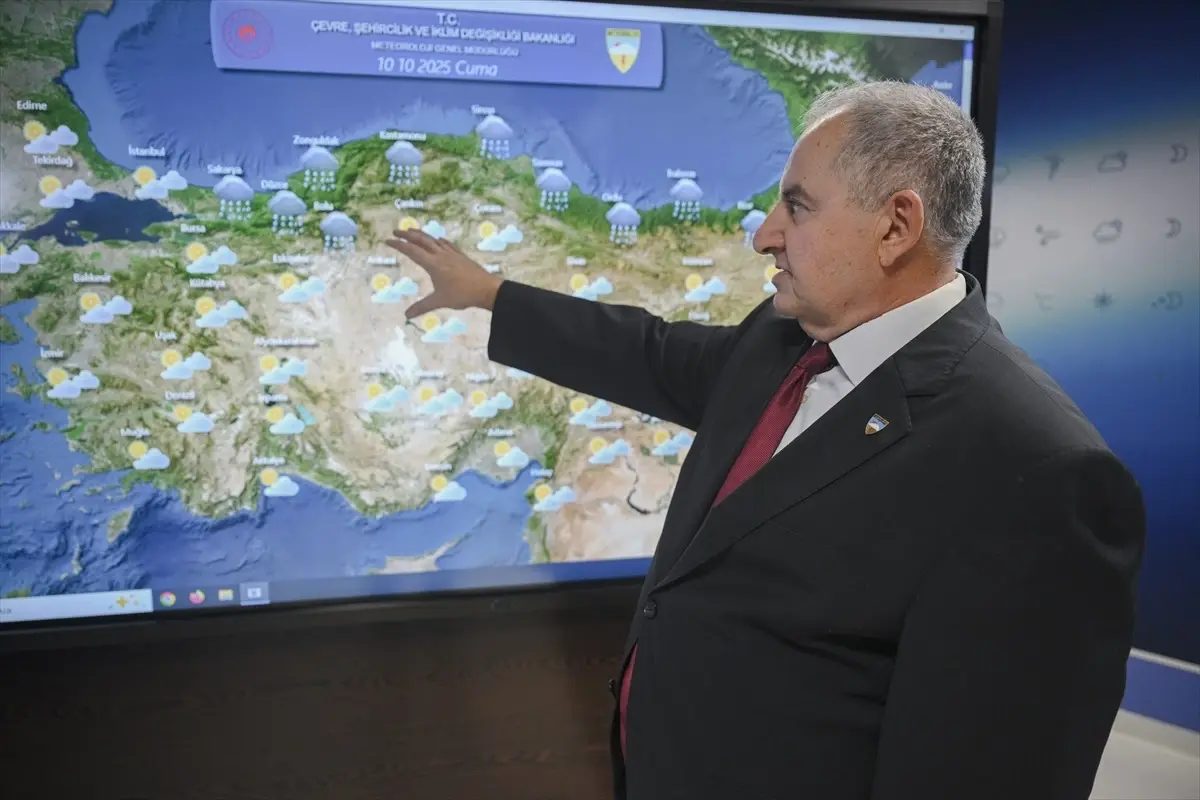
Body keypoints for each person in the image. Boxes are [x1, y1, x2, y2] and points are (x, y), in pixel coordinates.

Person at [386, 82, 1145, 800]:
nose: (764, 236)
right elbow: (653, 354)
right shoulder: (783, 341)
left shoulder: (1032, 468)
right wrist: (492, 296)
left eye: (797, 207)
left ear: (896, 226)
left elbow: (991, 773)